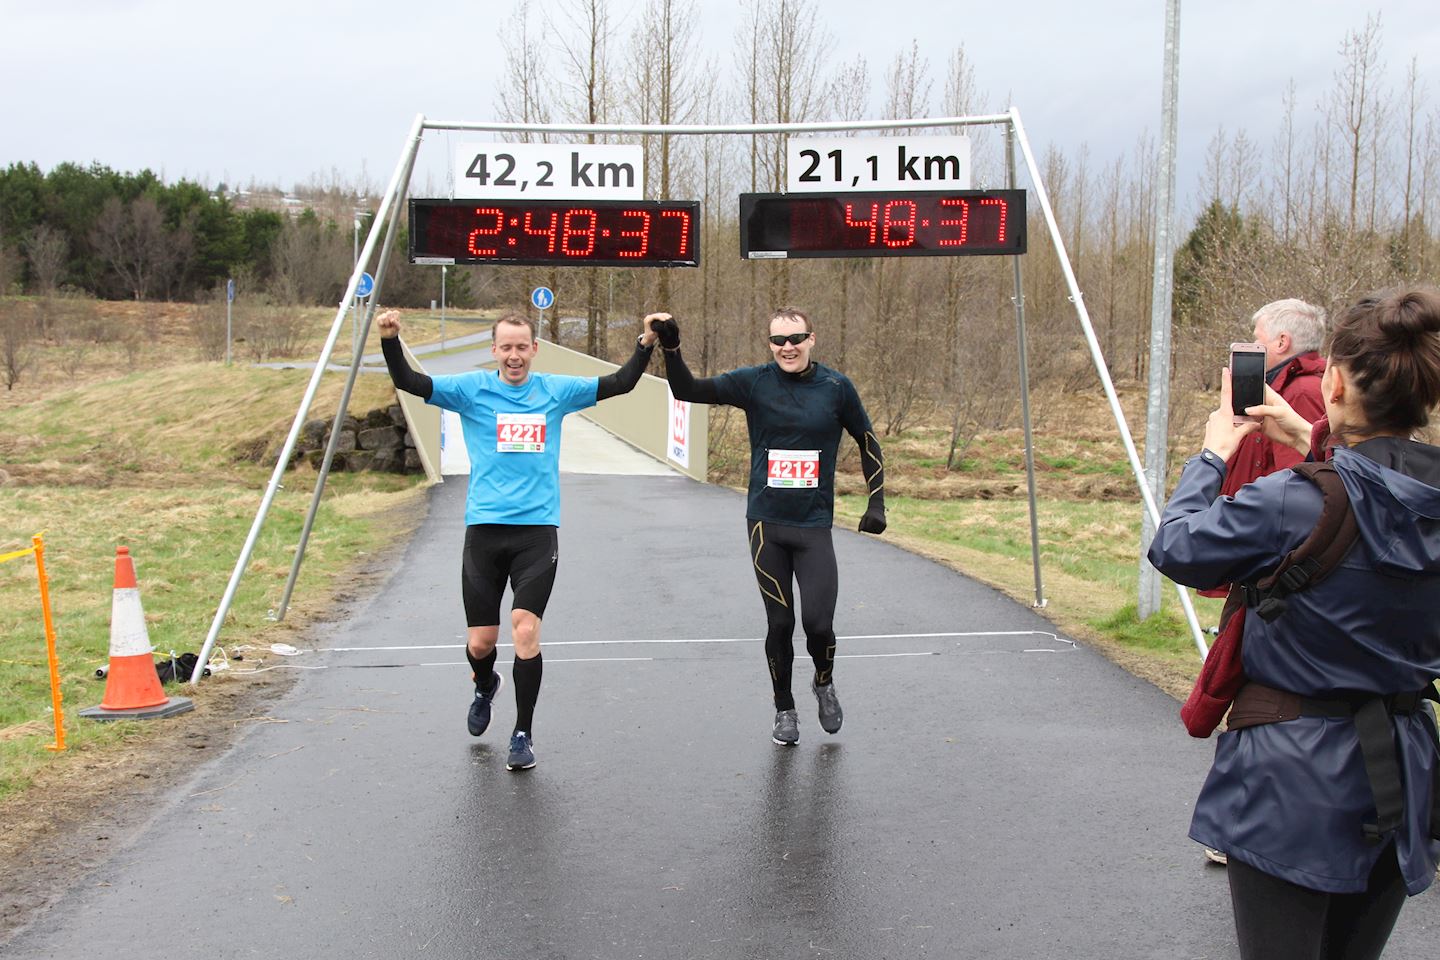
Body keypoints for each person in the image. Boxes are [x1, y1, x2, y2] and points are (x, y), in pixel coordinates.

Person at [1148, 288, 1440, 960]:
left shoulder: (1293, 502)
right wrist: (1307, 434)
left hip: (1291, 781)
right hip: (1403, 774)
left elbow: (1180, 547)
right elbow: (1381, 497)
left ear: (1333, 381)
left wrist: (1213, 455)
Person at [378, 308, 666, 771]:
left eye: (522, 347)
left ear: (534, 349)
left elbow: (620, 384)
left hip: (536, 531)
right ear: (494, 351)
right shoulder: (471, 391)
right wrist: (390, 339)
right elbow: (412, 382)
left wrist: (645, 344)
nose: (514, 355)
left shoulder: (554, 390)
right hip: (484, 532)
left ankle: (522, 733)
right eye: (506, 347)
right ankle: (484, 684)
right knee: (479, 642)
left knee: (525, 630)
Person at [653, 307, 886, 745]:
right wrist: (672, 347)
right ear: (769, 344)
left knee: (818, 624)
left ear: (812, 339)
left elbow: (867, 440)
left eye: (796, 338)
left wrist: (877, 502)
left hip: (813, 525)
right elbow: (686, 389)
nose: (787, 347)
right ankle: (784, 709)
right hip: (766, 524)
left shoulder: (836, 388)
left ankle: (823, 680)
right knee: (780, 624)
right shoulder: (754, 382)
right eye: (778, 340)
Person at [1204, 297, 1327, 865]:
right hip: (1268, 568)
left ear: (1280, 343)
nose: (1248, 346)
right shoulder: (1279, 392)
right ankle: (1245, 826)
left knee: (1256, 697)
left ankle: (1247, 832)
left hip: (1277, 574)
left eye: (1255, 337)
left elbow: (1294, 491)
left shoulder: (1301, 395)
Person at [1219, 297, 1327, 499]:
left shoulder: (1302, 391)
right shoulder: (1278, 388)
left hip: (1260, 523)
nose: (1253, 345)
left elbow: (1297, 484)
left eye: (1257, 339)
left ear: (1281, 342)